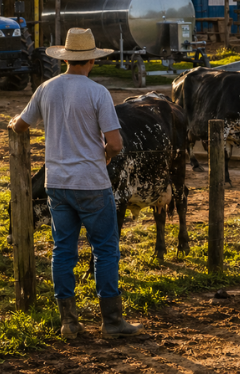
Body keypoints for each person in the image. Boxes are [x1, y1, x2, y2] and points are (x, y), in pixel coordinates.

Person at [9, 28, 142, 339]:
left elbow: (21, 124)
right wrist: (106, 154)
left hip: (57, 183)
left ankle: (69, 321)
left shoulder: (46, 89)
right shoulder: (98, 93)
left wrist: (12, 122)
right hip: (92, 183)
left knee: (63, 250)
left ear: (65, 58)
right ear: (92, 61)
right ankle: (111, 321)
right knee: (106, 249)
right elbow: (116, 143)